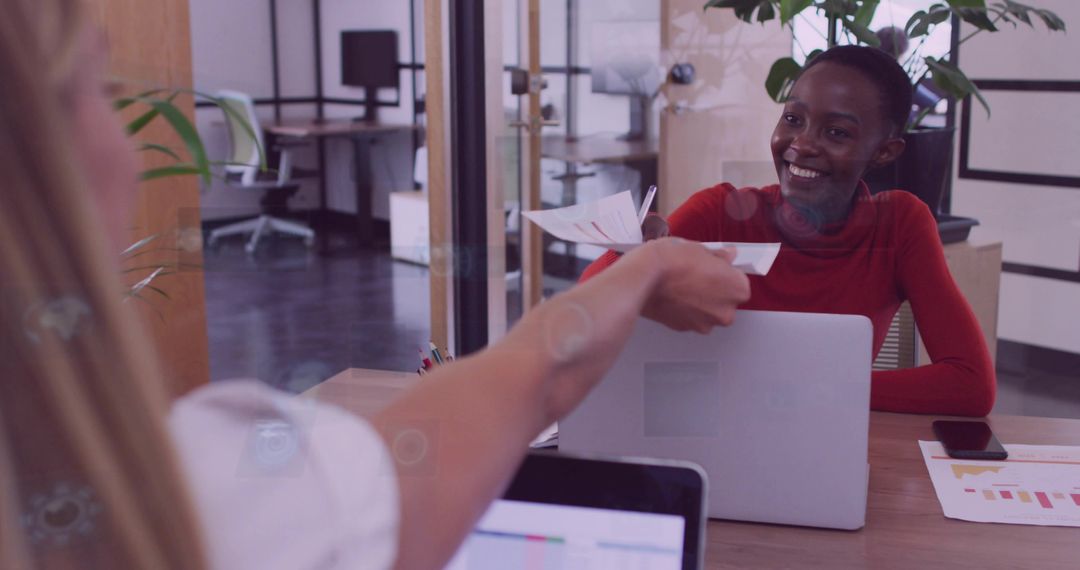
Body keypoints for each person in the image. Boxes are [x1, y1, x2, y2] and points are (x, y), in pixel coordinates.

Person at [0, 1, 750, 568]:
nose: (133, 144)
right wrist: (649, 264)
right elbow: (540, 375)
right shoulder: (199, 502)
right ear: (37, 155)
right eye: (99, 85)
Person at [584, 45, 995, 418]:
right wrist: (630, 256)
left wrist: (813, 393)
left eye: (836, 132)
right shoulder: (720, 212)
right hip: (711, 427)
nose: (801, 144)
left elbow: (970, 383)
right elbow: (583, 317)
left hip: (823, 434)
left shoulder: (900, 225)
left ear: (884, 151)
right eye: (793, 119)